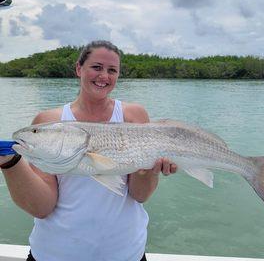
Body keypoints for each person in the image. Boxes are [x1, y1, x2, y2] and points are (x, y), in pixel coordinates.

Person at [0, 40, 177, 261]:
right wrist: (10, 163)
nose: (104, 76)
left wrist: (149, 170)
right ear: (78, 69)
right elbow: (42, 207)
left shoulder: (134, 115)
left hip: (125, 253)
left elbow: (139, 195)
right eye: (96, 67)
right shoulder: (49, 121)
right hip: (55, 254)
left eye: (112, 70)